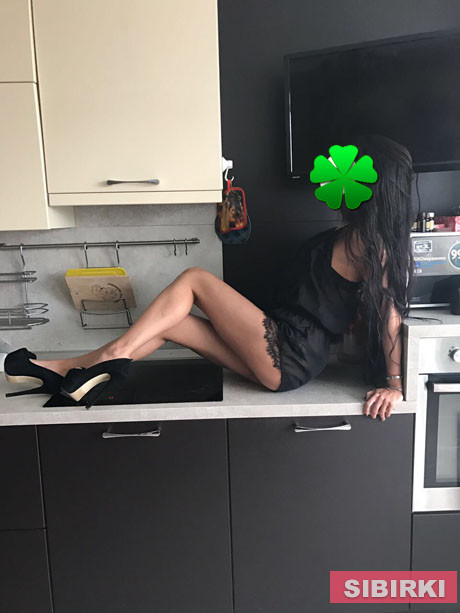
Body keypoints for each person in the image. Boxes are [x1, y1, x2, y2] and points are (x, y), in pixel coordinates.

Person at [4, 134, 413, 420]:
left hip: (290, 353)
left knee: (196, 278)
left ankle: (108, 360)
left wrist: (394, 384)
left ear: (370, 187)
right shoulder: (350, 236)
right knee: (173, 323)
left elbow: (390, 316)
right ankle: (59, 370)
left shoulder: (375, 246)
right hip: (284, 353)